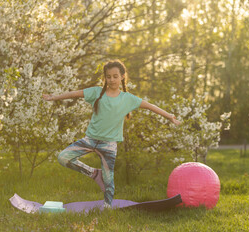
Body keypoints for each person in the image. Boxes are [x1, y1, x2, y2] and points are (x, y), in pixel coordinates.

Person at [43, 59, 181, 208]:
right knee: (63, 157)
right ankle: (94, 174)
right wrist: (54, 97)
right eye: (108, 76)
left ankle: (107, 207)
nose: (112, 79)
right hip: (90, 140)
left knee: (109, 180)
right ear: (105, 78)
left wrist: (169, 116)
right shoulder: (97, 92)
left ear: (122, 76)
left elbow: (149, 106)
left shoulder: (127, 99)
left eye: (115, 76)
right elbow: (75, 94)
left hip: (108, 144)